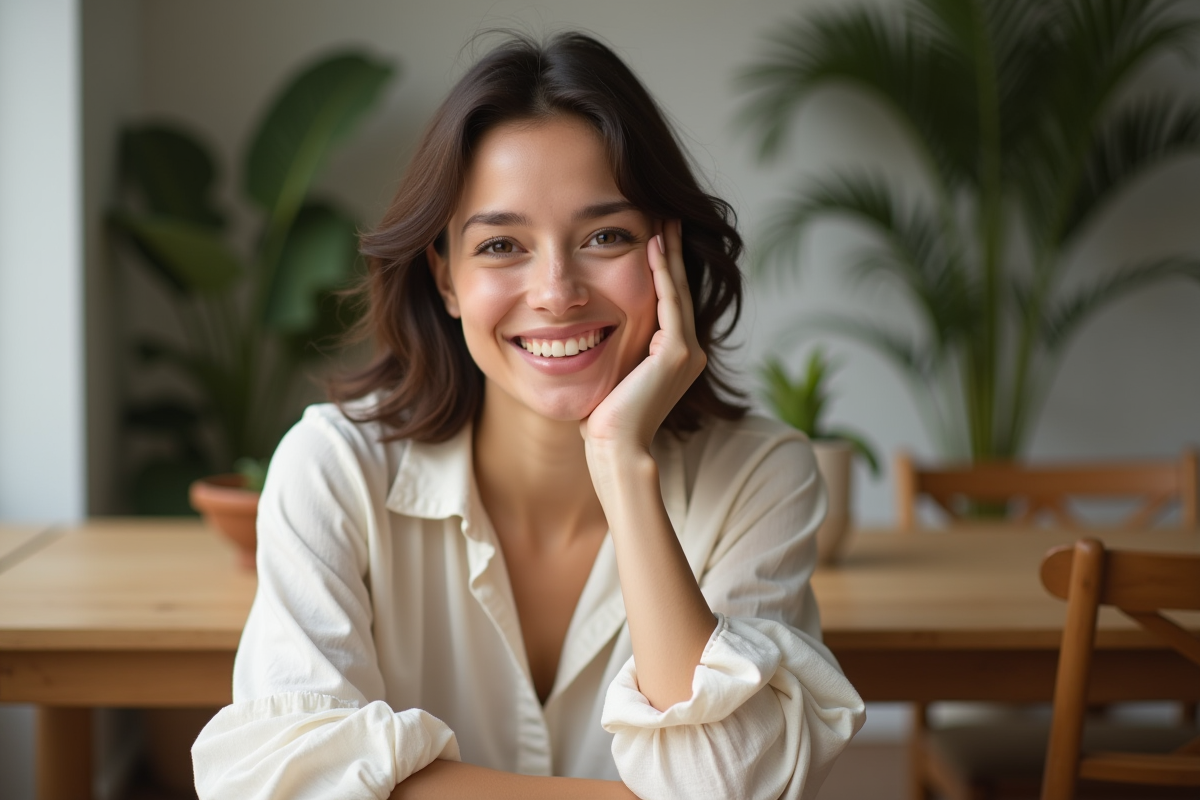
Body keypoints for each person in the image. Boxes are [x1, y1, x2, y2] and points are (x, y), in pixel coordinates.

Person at [192, 32, 864, 800]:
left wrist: (620, 461)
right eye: (502, 244)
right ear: (444, 279)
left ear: (668, 257)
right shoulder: (334, 467)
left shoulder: (759, 477)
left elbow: (730, 777)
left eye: (605, 236)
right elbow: (284, 782)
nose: (556, 291)